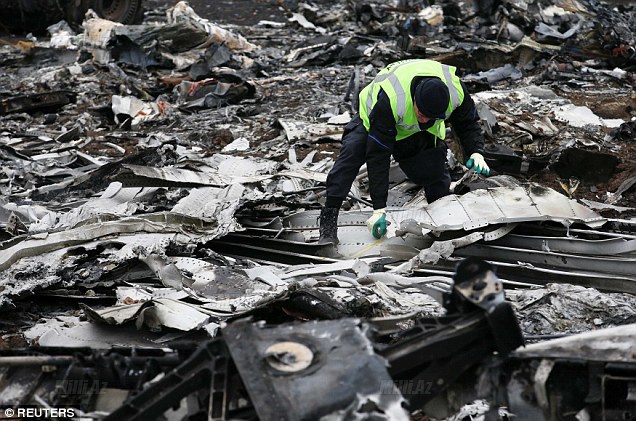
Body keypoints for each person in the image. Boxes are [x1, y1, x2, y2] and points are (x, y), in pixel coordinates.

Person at [319, 59, 490, 245]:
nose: (425, 120)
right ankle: (328, 222)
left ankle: (442, 221)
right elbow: (378, 157)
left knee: (433, 171)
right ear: (415, 99)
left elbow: (467, 123)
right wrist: (379, 209)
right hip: (372, 123)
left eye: (431, 117)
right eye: (422, 114)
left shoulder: (456, 91)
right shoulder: (392, 99)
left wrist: (476, 152)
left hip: (412, 132)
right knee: (350, 158)